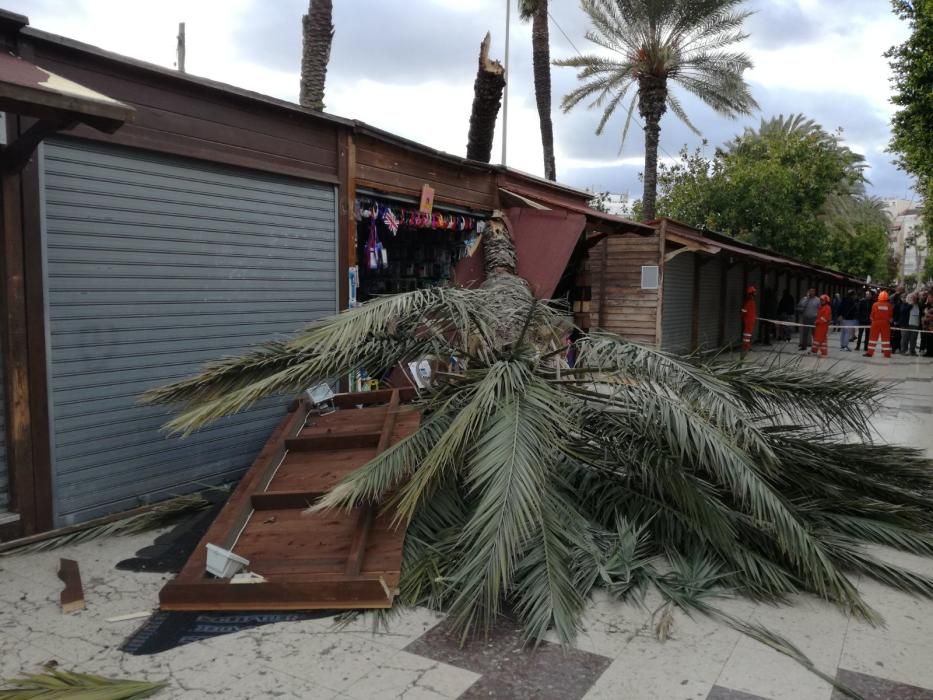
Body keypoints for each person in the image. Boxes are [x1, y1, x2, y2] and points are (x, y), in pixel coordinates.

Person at [864, 290, 893, 358]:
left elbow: (872, 315)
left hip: (875, 323)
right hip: (885, 323)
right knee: (886, 339)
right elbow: (890, 316)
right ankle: (887, 354)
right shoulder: (889, 305)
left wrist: (873, 320)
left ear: (879, 297)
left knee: (872, 338)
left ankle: (870, 353)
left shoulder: (875, 304)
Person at [742, 286, 757, 352]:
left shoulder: (750, 301)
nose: (755, 294)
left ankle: (746, 347)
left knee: (748, 334)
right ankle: (746, 348)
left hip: (750, 319)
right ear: (752, 293)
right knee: (747, 334)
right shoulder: (750, 301)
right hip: (749, 320)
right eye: (754, 292)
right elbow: (744, 310)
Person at [890, 286, 905, 353]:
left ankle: (898, 347)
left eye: (901, 290)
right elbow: (892, 308)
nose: (900, 291)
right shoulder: (894, 297)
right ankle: (893, 347)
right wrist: (893, 319)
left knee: (899, 335)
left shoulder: (903, 299)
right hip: (895, 319)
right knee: (894, 334)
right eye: (899, 290)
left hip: (901, 319)